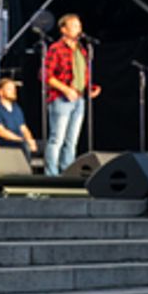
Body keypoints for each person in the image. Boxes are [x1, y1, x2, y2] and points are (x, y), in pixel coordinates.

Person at [43, 13, 101, 175]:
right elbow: (45, 75)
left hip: (79, 98)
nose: (78, 29)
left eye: (79, 26)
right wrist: (65, 89)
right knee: (57, 139)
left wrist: (90, 88)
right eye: (74, 26)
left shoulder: (81, 50)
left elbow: (82, 75)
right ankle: (51, 175)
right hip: (61, 99)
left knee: (72, 140)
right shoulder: (56, 48)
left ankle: (66, 172)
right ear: (63, 29)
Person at [0, 77, 37, 164]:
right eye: (9, 89)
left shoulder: (17, 108)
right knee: (24, 146)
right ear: (0, 92)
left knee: (41, 144)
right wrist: (21, 140)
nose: (14, 91)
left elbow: (24, 128)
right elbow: (0, 131)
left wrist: (30, 140)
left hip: (19, 140)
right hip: (4, 142)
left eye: (14, 89)